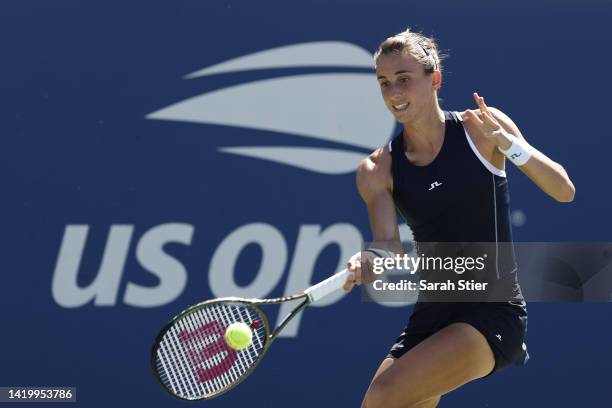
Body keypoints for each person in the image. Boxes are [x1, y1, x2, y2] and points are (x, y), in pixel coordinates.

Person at [342, 27, 575, 408]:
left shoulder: (481, 130)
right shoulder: (376, 168)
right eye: (385, 83)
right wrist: (369, 259)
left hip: (492, 309)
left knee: (383, 397)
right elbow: (389, 248)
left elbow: (564, 190)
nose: (395, 94)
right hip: (432, 313)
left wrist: (511, 147)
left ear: (434, 79)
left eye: (404, 80)